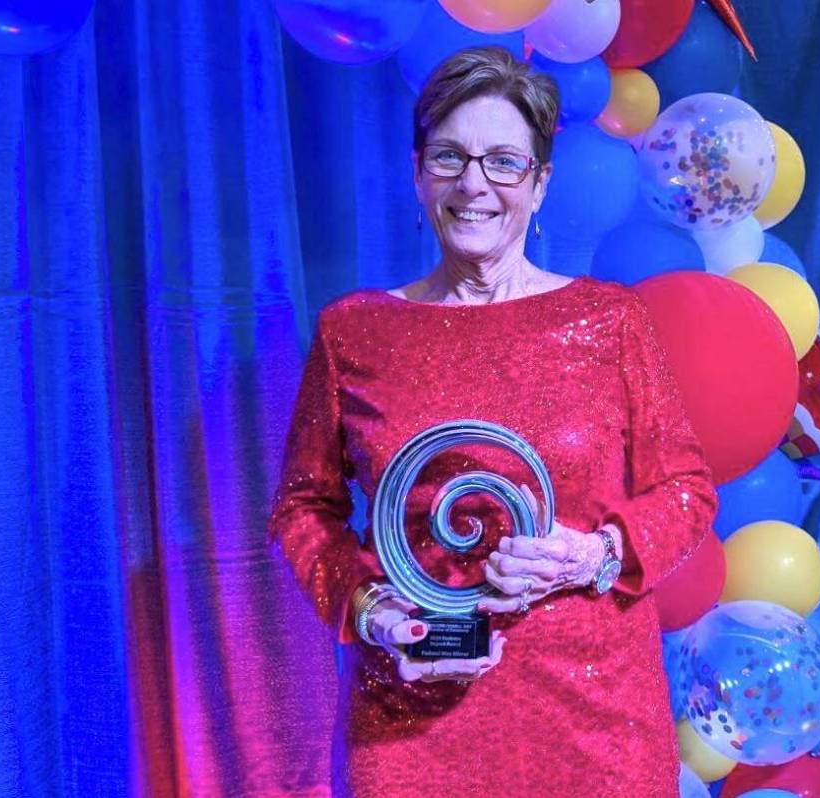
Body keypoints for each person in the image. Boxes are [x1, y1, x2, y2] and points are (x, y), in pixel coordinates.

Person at [267, 46, 717, 797]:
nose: (474, 184)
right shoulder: (354, 331)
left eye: (504, 162)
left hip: (596, 716)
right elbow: (302, 510)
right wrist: (372, 610)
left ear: (540, 184)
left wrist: (595, 554)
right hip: (411, 720)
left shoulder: (610, 321)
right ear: (419, 174)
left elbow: (687, 491)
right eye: (450, 157)